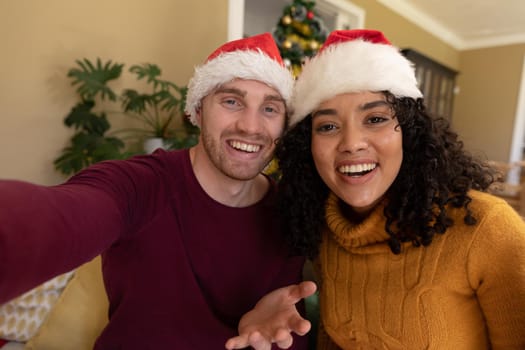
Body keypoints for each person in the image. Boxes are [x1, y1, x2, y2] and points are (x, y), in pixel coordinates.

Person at [0, 32, 313, 349]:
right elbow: (57, 218)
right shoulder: (140, 185)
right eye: (232, 101)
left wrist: (262, 337)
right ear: (198, 110)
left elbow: (286, 330)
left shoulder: (291, 212)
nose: (250, 126)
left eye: (270, 109)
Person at [226, 29, 525, 349]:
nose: (352, 144)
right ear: (307, 148)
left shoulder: (486, 228)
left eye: (376, 119)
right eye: (328, 126)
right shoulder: (323, 232)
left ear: (409, 134)